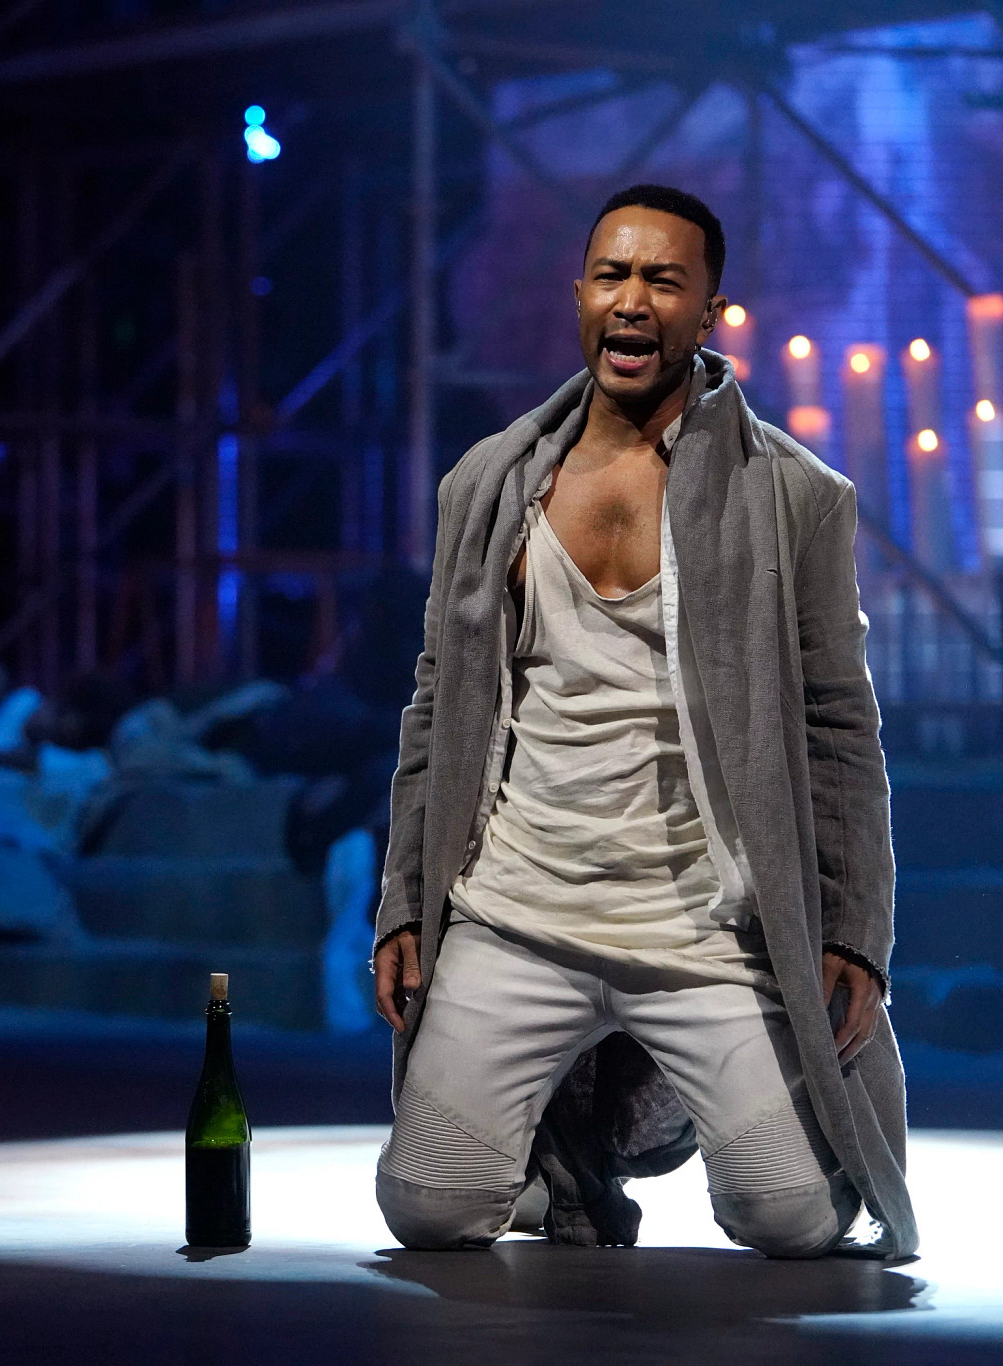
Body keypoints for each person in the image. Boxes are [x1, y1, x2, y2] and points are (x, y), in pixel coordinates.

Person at [370, 184, 916, 1259]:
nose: (632, 300)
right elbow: (436, 701)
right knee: (428, 1208)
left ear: (708, 311)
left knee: (793, 1218)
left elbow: (838, 723)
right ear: (577, 294)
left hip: (704, 930)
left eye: (663, 280)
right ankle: (557, 1152)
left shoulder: (794, 496)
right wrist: (402, 898)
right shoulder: (487, 485)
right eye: (611, 275)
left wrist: (856, 925)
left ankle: (688, 1110)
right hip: (517, 909)